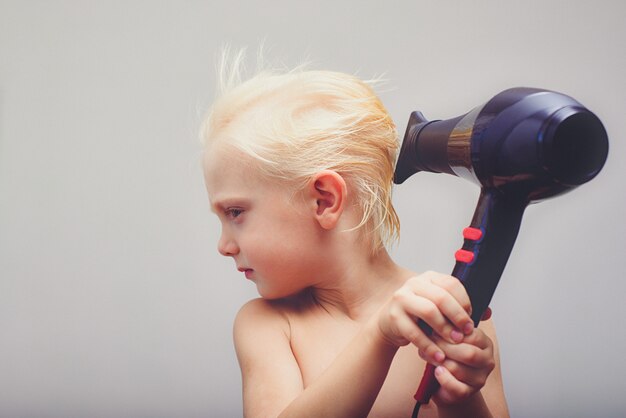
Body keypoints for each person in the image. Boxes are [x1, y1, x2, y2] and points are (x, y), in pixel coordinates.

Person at [201, 57, 510, 417]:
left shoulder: (454, 313)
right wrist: (379, 337)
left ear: (324, 199)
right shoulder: (268, 325)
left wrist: (462, 396)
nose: (223, 246)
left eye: (235, 213)